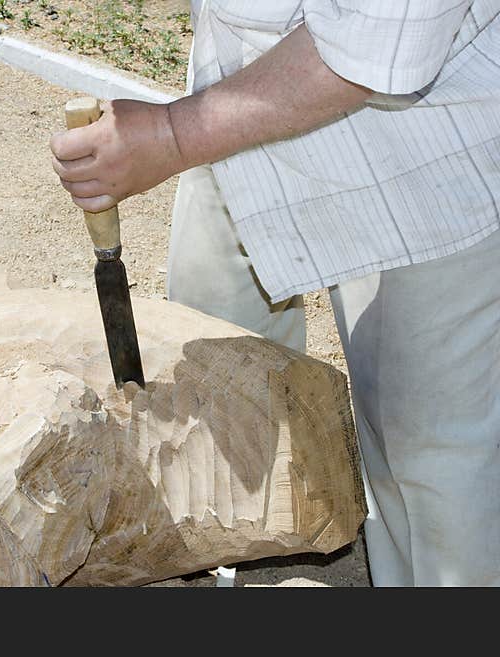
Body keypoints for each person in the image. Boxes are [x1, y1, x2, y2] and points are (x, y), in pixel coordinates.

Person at [50, 1, 500, 587]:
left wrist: (171, 135)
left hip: (426, 143)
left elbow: (377, 46)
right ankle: (261, 553)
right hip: (243, 92)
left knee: (428, 453)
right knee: (215, 371)